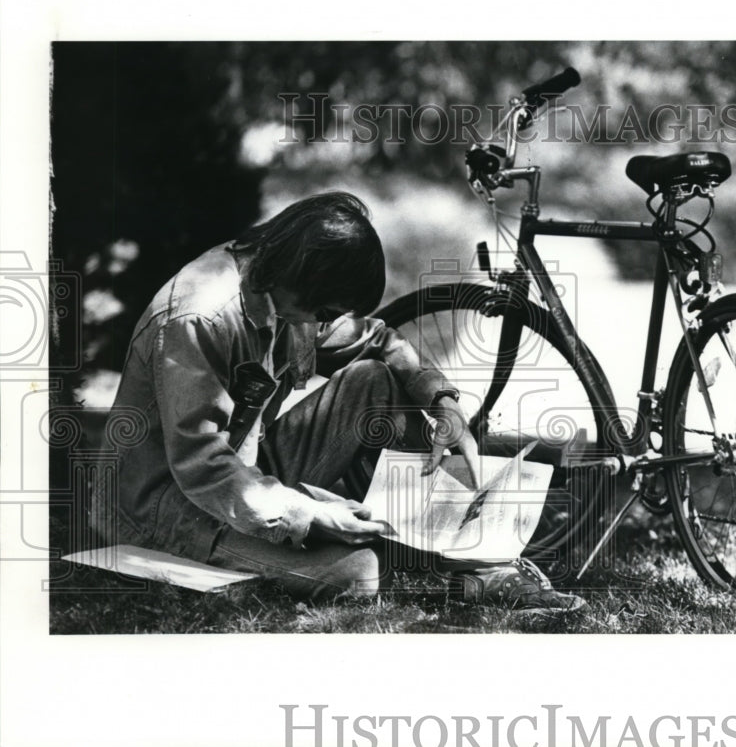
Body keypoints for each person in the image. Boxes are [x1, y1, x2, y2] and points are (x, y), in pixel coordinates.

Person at [93, 192, 583, 611]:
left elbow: (379, 342)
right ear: (296, 277)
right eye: (324, 311)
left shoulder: (285, 284)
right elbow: (202, 466)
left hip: (244, 472)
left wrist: (443, 402)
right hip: (163, 508)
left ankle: (448, 539)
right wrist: (313, 515)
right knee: (357, 574)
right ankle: (448, 566)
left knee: (373, 379)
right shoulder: (199, 318)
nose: (325, 324)